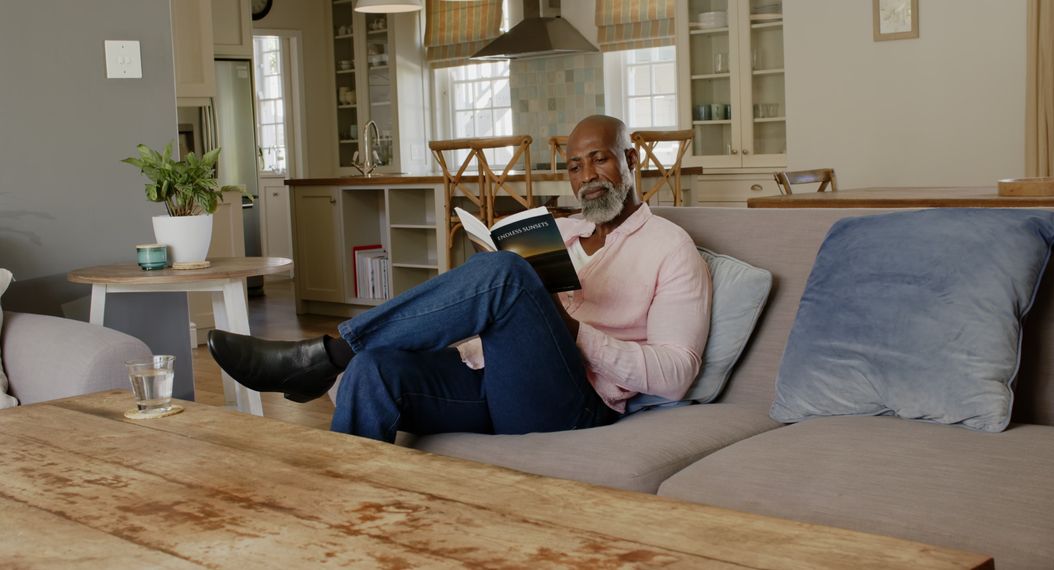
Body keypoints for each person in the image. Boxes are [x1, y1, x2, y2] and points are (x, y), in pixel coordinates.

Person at [209, 115, 711, 443]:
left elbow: (676, 374)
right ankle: (345, 501)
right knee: (374, 371)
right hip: (492, 382)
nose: (586, 177)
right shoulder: (557, 233)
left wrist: (571, 329)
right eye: (574, 166)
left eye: (600, 158)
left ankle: (321, 358)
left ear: (632, 160)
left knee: (508, 274)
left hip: (574, 406)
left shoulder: (670, 247)